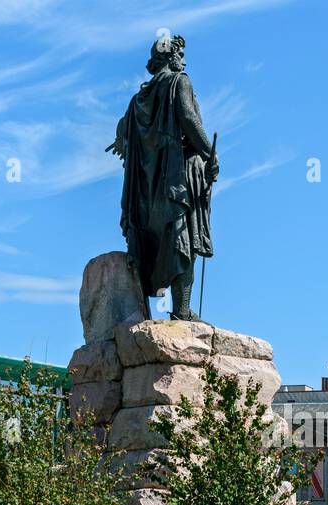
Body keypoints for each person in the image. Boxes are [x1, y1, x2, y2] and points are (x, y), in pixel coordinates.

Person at [108, 34, 219, 322]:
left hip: (145, 195)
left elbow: (123, 136)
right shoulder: (179, 82)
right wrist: (210, 153)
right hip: (175, 183)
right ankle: (181, 310)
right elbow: (188, 119)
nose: (184, 61)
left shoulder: (136, 103)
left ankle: (142, 311)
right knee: (185, 241)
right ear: (171, 58)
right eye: (180, 55)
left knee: (154, 247)